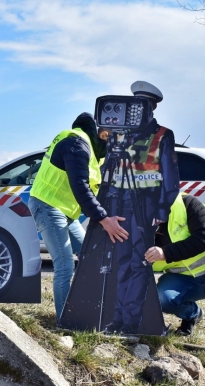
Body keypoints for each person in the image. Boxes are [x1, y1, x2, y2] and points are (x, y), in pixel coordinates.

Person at [29, 113, 127, 320]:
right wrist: (103, 219)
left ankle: (86, 307)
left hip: (65, 211)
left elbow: (93, 188)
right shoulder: (76, 144)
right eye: (108, 138)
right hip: (48, 206)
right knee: (64, 265)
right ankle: (65, 320)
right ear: (99, 133)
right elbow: (80, 186)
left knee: (88, 255)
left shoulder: (89, 148)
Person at [103, 81, 180, 336]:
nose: (137, 110)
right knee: (122, 264)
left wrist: (162, 210)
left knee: (138, 264)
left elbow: (170, 177)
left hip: (144, 207)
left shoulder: (162, 135)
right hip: (119, 205)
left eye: (143, 105)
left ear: (152, 108)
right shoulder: (118, 133)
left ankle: (130, 323)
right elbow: (109, 169)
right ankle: (117, 320)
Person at [145, 193, 205, 372]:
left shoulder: (187, 203)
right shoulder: (141, 221)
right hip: (184, 277)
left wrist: (166, 252)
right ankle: (192, 315)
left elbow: (204, 237)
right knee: (160, 298)